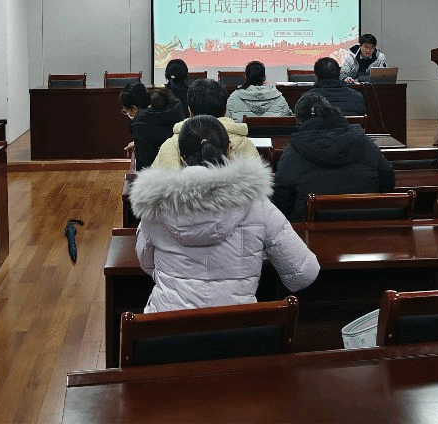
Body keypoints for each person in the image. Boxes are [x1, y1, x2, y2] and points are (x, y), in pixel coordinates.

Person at [129, 114, 320, 312]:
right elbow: (304, 274)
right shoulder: (256, 203)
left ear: (181, 158)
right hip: (238, 327)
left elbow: (147, 263)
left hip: (167, 326)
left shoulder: (155, 206)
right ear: (229, 151)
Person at [271, 92, 394, 221]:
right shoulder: (364, 142)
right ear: (331, 112)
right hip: (367, 222)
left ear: (299, 121)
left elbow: (282, 199)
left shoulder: (293, 151)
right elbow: (387, 178)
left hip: (310, 226)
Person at [150, 78, 261, 168]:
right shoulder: (245, 144)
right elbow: (259, 184)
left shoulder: (171, 145)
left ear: (190, 110)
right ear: (225, 110)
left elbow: (153, 184)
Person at [120, 83, 186, 169]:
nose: (126, 114)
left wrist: (140, 141)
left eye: (125, 111)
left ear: (134, 108)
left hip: (162, 171)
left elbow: (143, 165)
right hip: (183, 164)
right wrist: (138, 142)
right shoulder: (172, 105)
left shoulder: (141, 124)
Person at [225, 60, 292, 122]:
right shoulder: (278, 98)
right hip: (273, 131)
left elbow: (226, 120)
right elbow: (288, 119)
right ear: (264, 77)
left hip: (243, 131)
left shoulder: (235, 97)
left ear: (245, 77)